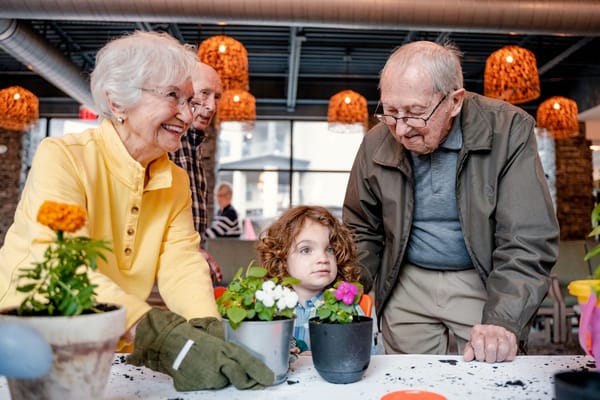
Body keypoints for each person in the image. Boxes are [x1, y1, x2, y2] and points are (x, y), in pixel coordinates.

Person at [0, 30, 273, 390]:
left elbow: (181, 261)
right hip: (29, 336)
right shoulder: (64, 157)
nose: (186, 114)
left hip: (108, 343)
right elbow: (60, 268)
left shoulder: (174, 180)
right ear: (117, 102)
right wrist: (157, 333)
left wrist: (205, 327)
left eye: (189, 100)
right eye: (173, 96)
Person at [342, 40, 559, 363]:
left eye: (415, 113)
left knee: (488, 376)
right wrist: (344, 291)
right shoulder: (376, 142)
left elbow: (526, 237)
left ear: (455, 101)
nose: (401, 129)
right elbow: (361, 227)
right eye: (390, 112)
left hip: (481, 277)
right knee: (410, 380)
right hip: (405, 278)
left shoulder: (508, 129)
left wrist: (503, 319)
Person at [256, 205, 363, 353]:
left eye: (330, 249)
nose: (323, 258)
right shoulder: (271, 309)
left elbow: (362, 354)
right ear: (282, 258)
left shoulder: (348, 308)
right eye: (306, 250)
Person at [169, 61, 224, 283]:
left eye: (217, 97)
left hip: (186, 266)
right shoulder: (167, 143)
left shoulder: (194, 144)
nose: (212, 106)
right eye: (204, 93)